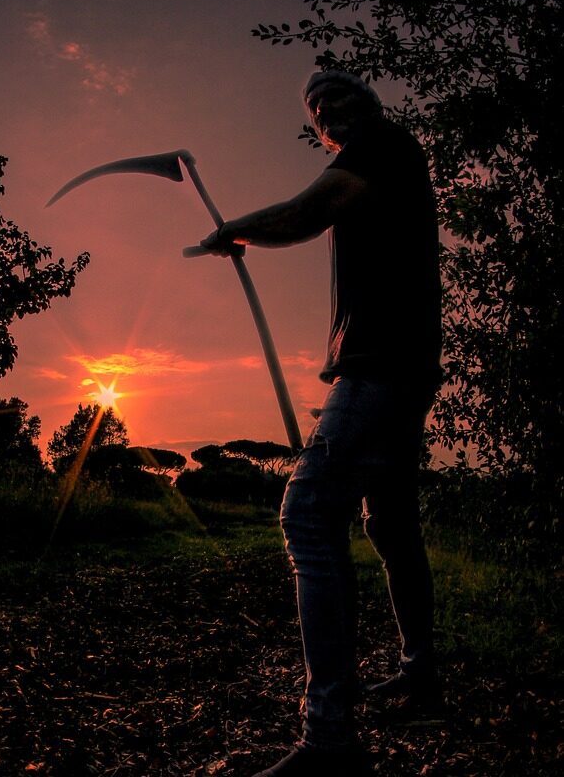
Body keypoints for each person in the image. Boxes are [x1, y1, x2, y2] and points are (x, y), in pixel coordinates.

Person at [198, 70, 443, 777]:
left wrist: (237, 227)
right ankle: (419, 673)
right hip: (392, 366)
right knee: (390, 522)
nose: (330, 107)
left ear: (367, 103)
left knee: (307, 516)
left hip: (382, 367)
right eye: (317, 106)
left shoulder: (382, 148)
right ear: (318, 129)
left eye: (340, 94)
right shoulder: (385, 158)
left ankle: (330, 739)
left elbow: (308, 211)